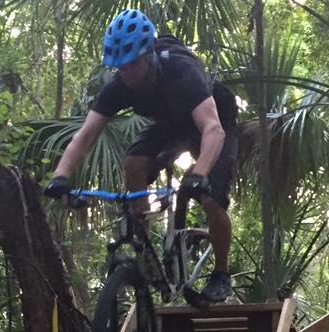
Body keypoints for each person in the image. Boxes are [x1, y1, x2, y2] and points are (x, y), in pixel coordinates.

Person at [43, 8, 238, 303]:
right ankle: (144, 246)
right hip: (170, 123)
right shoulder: (118, 86)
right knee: (133, 164)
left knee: (211, 198)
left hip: (212, 121)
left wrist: (199, 174)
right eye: (120, 67)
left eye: (133, 64)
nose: (127, 73)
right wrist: (61, 176)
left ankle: (221, 274)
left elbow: (213, 129)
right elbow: (85, 135)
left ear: (148, 55)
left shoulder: (181, 71)